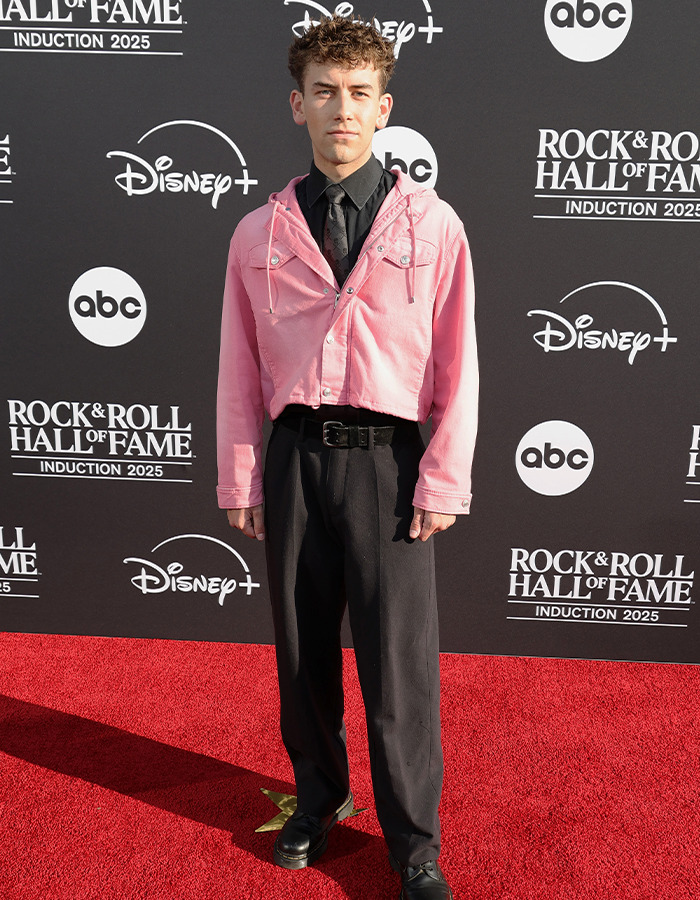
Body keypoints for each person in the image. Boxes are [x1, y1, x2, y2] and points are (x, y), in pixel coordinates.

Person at [216, 15, 477, 900]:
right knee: (303, 657)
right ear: (298, 105)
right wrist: (243, 474)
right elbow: (237, 368)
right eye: (324, 92)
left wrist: (442, 475)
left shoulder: (434, 225)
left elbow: (456, 362)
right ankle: (319, 800)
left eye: (359, 94)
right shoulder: (259, 233)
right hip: (293, 461)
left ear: (385, 107)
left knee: (398, 664)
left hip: (388, 468)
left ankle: (414, 841)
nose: (342, 109)